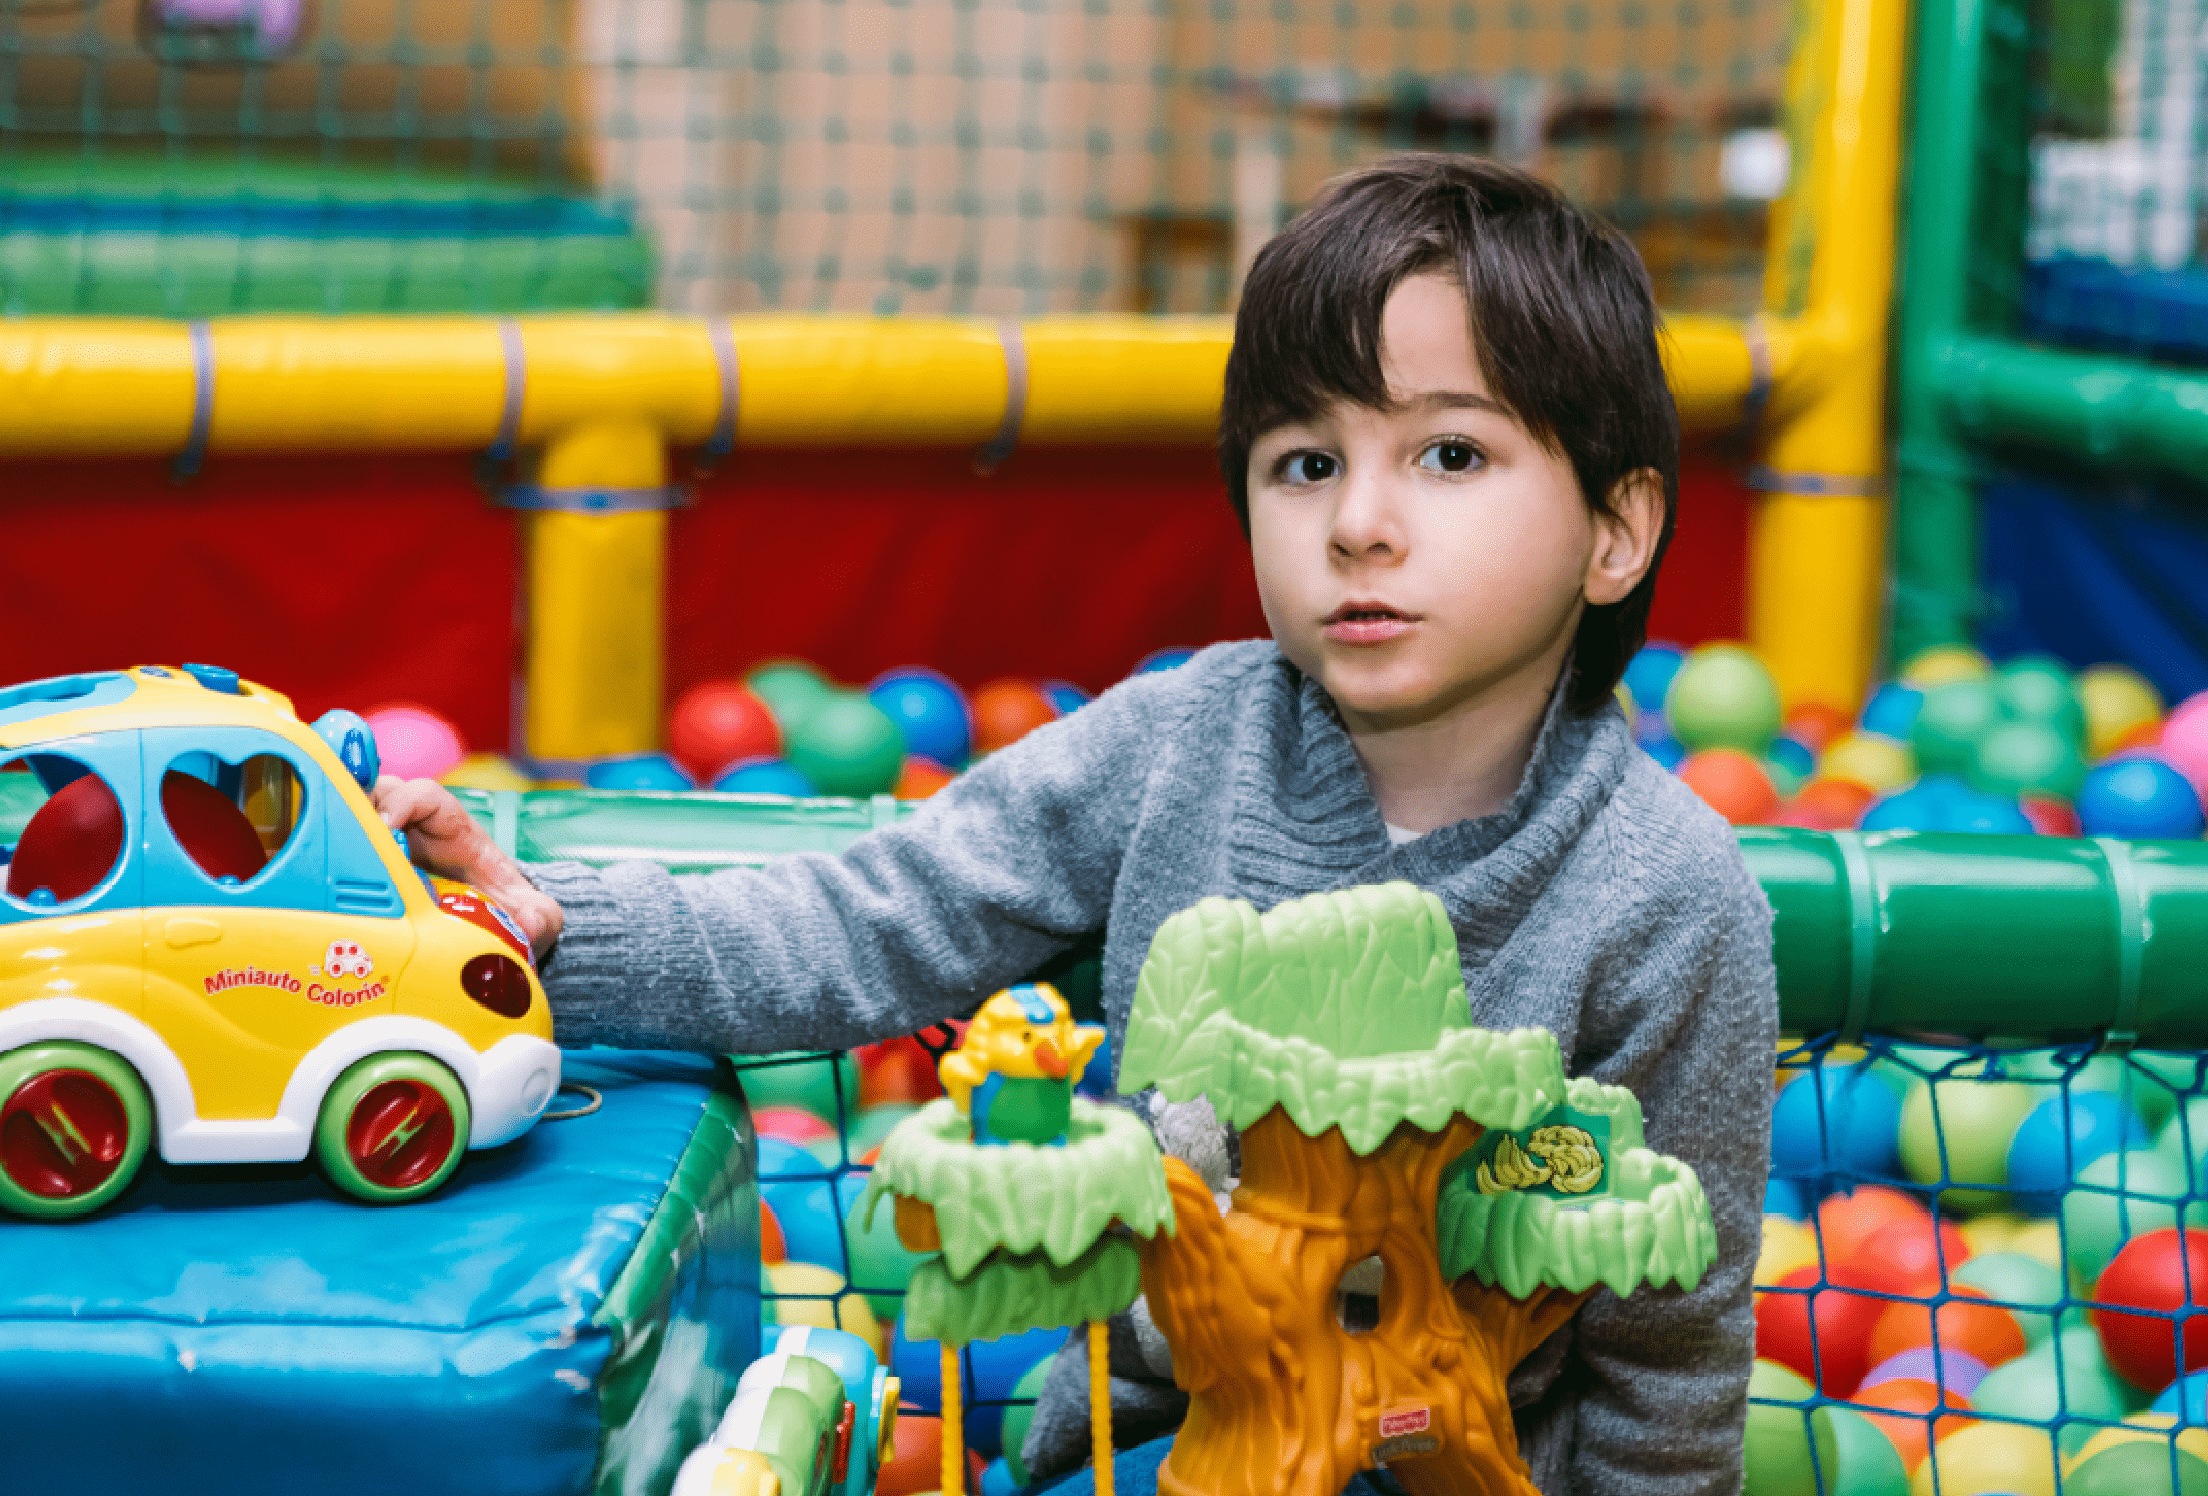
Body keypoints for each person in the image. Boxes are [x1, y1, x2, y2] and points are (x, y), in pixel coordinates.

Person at [376, 152, 1775, 1496]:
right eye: (1304, 463)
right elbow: (877, 915)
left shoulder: (1664, 892)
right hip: (1162, 1441)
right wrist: (546, 932)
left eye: (1450, 455)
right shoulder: (1185, 742)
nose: (1360, 522)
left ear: (1616, 531)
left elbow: (1670, 1346)